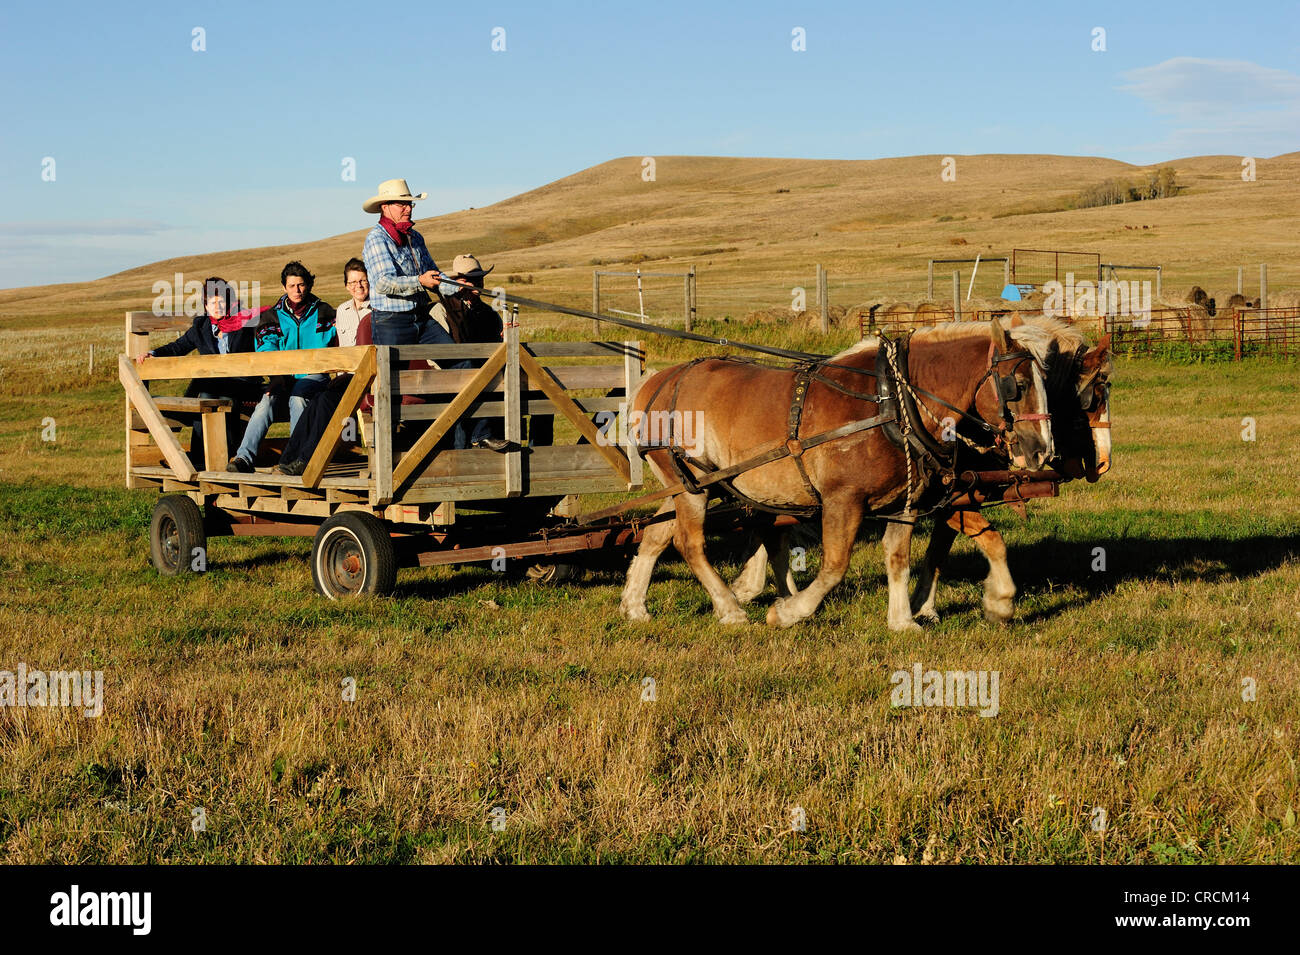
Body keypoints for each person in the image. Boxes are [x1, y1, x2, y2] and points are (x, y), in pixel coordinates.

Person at [360, 178, 506, 451]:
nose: (408, 208)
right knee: (390, 387)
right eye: (403, 203)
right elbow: (382, 282)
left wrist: (459, 288)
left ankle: (480, 433)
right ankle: (383, 455)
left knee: (462, 364)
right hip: (391, 321)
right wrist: (420, 282)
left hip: (420, 316)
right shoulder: (376, 239)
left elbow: (436, 276)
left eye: (410, 203)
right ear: (386, 206)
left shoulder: (416, 238)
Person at [136, 277, 264, 467]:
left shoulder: (244, 323)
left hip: (243, 385)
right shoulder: (201, 326)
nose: (217, 306)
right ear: (206, 304)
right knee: (205, 397)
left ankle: (202, 458)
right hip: (214, 389)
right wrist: (153, 353)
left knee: (207, 394)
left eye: (221, 301)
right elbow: (177, 347)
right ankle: (203, 457)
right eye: (212, 302)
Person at [228, 262, 336, 472]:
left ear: (309, 285)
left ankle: (294, 459)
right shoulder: (271, 317)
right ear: (284, 287)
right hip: (282, 378)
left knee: (298, 398)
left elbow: (337, 343)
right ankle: (243, 459)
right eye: (292, 285)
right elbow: (266, 349)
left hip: (315, 377)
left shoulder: (325, 313)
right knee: (266, 403)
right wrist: (276, 376)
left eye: (301, 285)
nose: (297, 290)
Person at [430, 254, 508, 449]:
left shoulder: (490, 314)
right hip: (451, 383)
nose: (476, 285)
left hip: (489, 381)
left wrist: (507, 339)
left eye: (479, 279)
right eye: (470, 280)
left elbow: (499, 348)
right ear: (457, 282)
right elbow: (436, 358)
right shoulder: (440, 310)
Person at [335, 257, 371, 346]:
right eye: (353, 282)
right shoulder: (341, 310)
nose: (359, 285)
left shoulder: (378, 308)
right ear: (346, 286)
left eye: (363, 281)